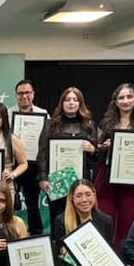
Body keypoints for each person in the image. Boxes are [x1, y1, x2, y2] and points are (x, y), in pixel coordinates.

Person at [94, 83, 134, 248]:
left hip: (133, 176)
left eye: (129, 97)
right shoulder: (106, 122)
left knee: (130, 216)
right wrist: (103, 146)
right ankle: (104, 252)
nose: (125, 101)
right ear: (115, 101)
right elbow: (96, 147)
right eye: (121, 97)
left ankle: (127, 254)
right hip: (107, 175)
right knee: (105, 215)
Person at [37, 86, 99, 227]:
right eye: (67, 99)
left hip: (81, 180)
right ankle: (59, 248)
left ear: (80, 103)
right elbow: (42, 153)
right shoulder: (50, 124)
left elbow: (96, 158)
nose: (71, 103)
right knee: (58, 219)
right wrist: (42, 178)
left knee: (82, 218)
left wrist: (92, 149)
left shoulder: (89, 125)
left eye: (75, 100)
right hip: (57, 179)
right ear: (62, 103)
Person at [10, 79, 48, 235]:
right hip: (13, 165)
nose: (24, 96)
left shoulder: (43, 113)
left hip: (33, 165)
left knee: (32, 204)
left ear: (33, 94)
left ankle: (37, 235)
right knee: (10, 203)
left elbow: (46, 141)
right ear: (16, 95)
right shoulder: (7, 113)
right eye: (20, 93)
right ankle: (10, 234)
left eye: (27, 92)